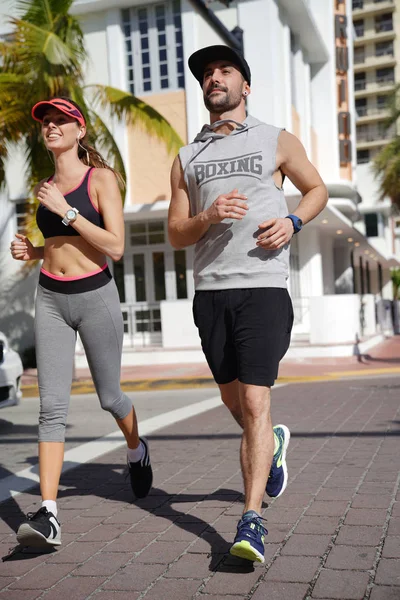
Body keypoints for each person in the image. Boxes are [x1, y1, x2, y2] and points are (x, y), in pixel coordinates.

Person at [168, 45, 328, 563]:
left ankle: (251, 520)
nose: (214, 78)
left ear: (245, 84)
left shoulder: (275, 139)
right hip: (211, 293)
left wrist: (294, 221)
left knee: (256, 404)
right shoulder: (186, 157)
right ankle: (273, 447)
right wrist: (208, 215)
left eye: (225, 70)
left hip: (261, 288)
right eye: (207, 74)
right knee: (235, 403)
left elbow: (316, 189)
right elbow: (175, 232)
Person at [10, 97, 152, 548]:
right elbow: (60, 244)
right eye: (46, 123)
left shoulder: (101, 179)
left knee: (110, 396)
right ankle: (49, 513)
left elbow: (114, 246)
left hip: (95, 297)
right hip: (50, 297)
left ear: (79, 130)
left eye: (60, 121)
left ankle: (136, 448)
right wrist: (32, 252)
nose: (50, 127)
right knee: (51, 409)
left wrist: (67, 210)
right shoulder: (46, 184)